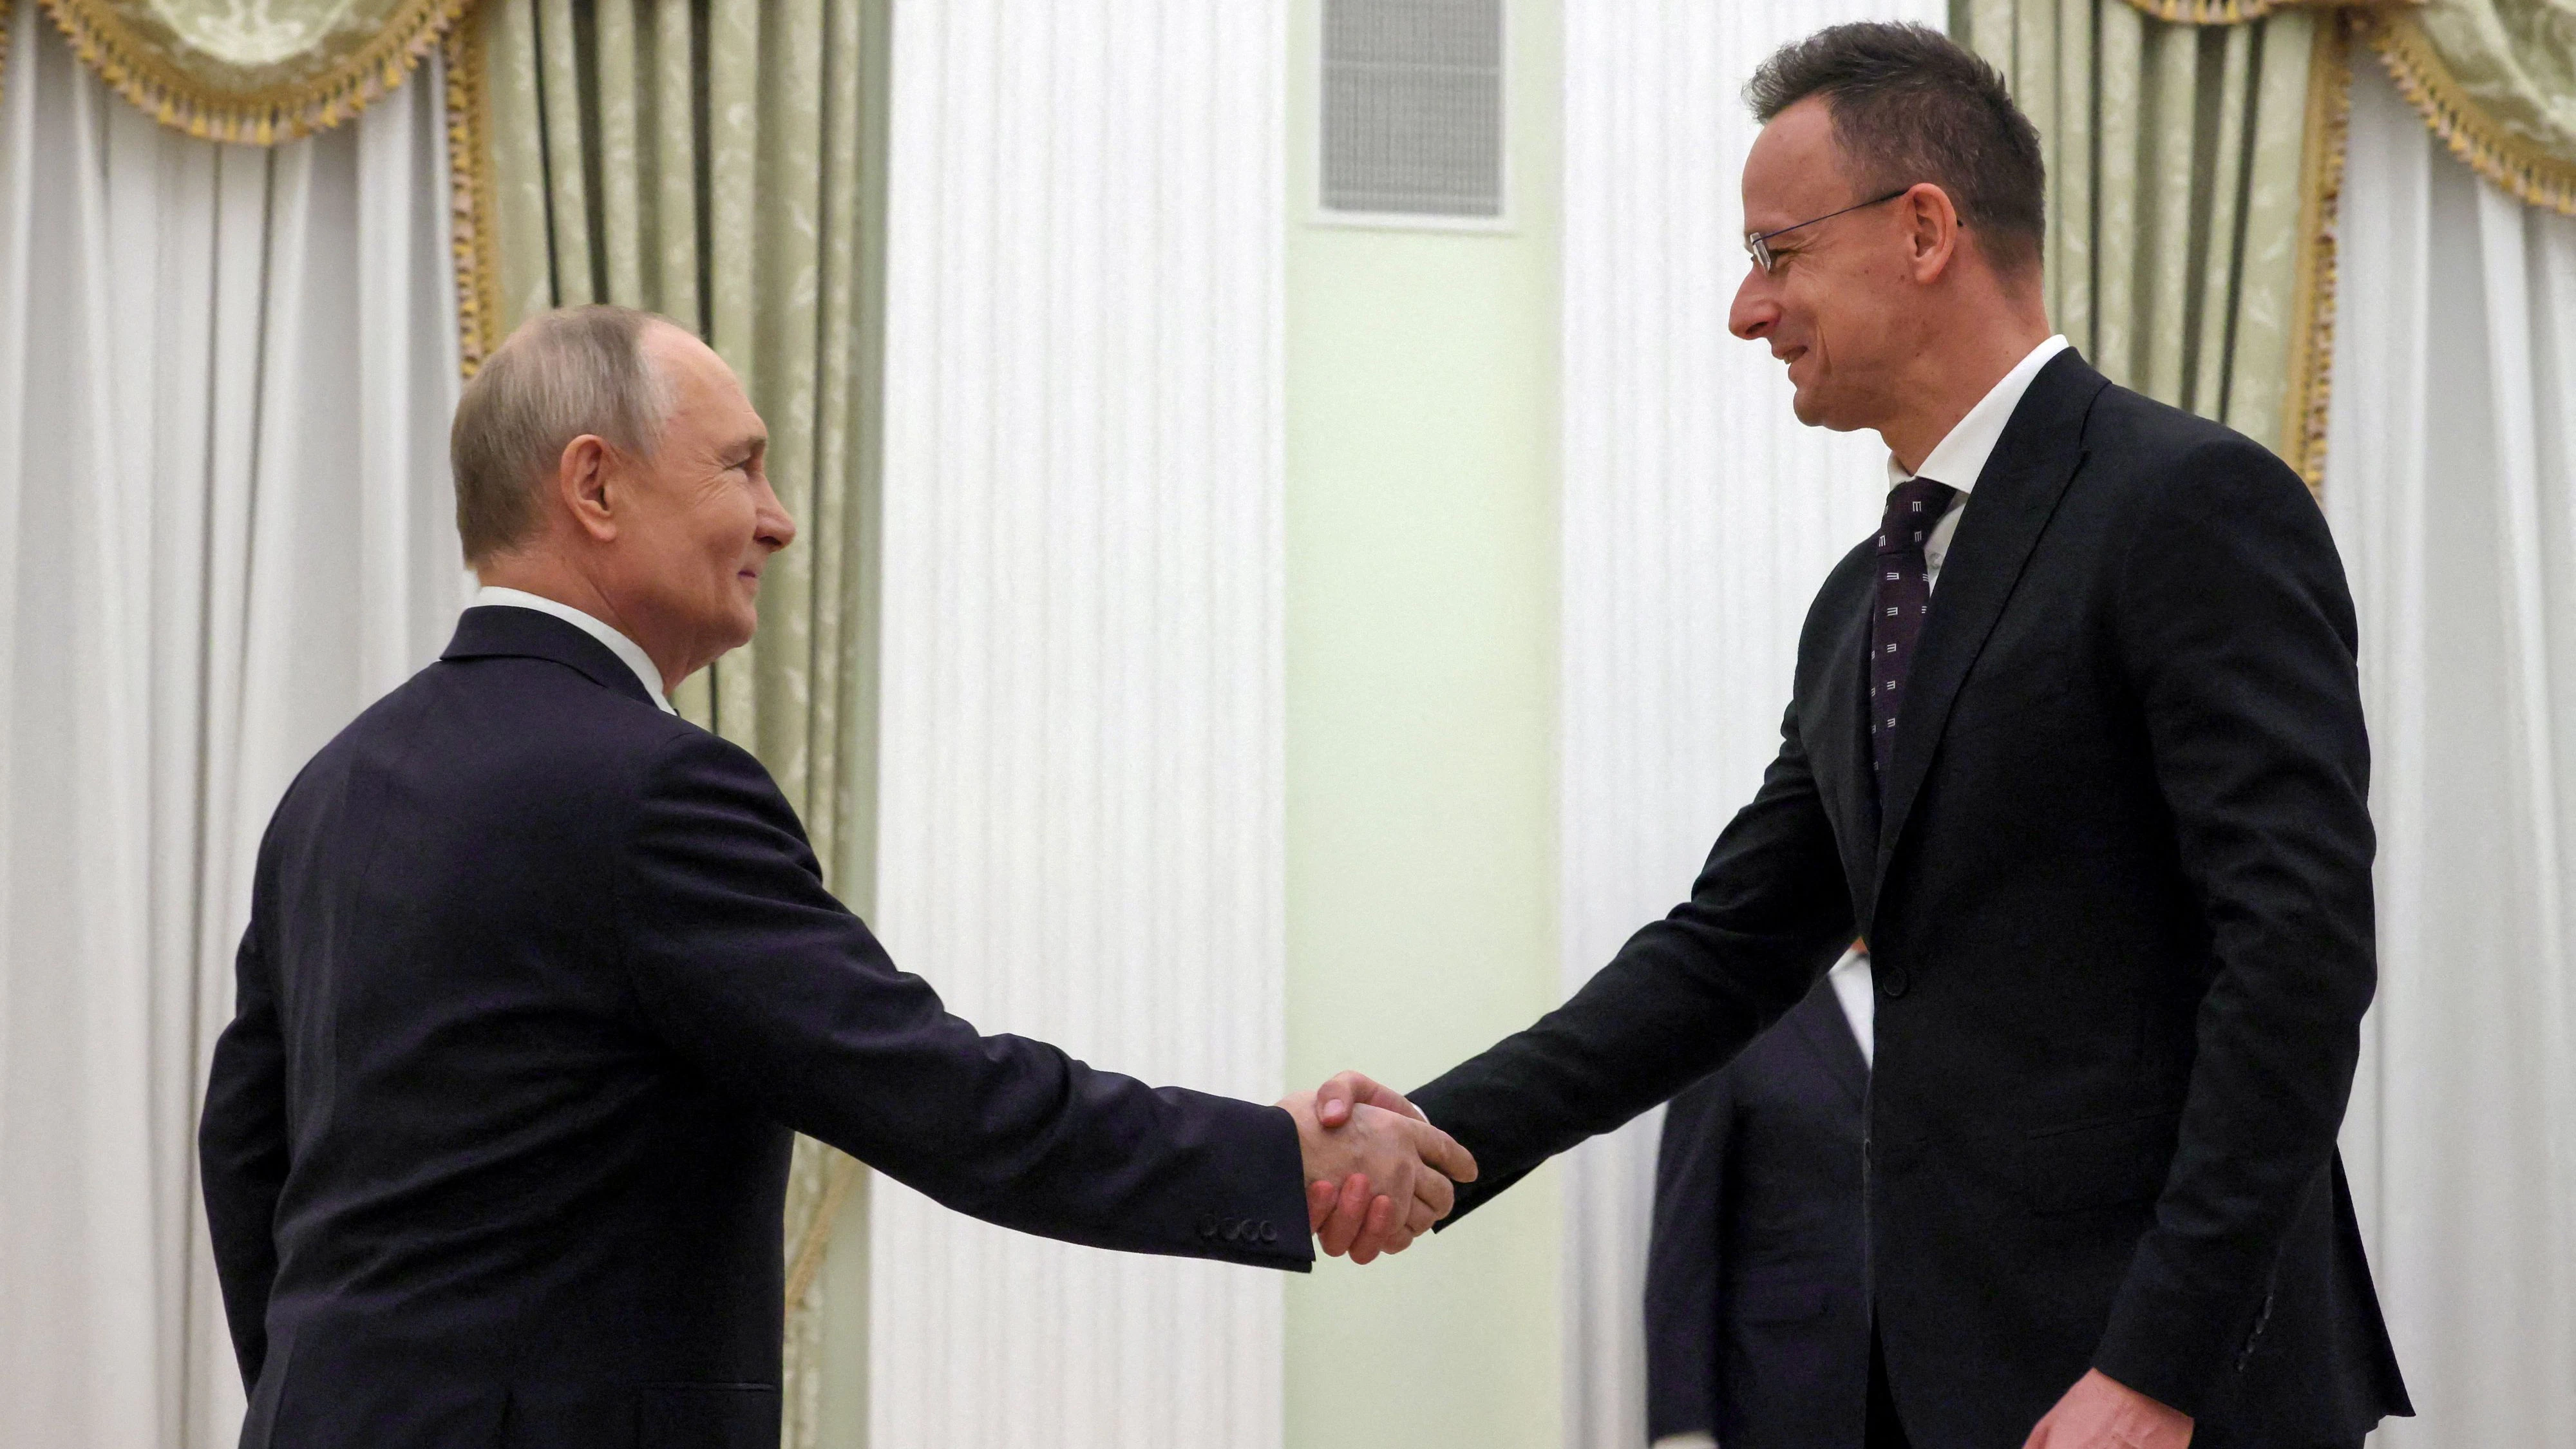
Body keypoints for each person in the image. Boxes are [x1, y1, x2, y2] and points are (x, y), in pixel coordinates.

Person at [1312, 23, 2411, 1449]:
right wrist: (1438, 1135)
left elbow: (2298, 957)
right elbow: (1726, 950)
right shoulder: (1862, 600)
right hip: (1929, 1388)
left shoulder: (2186, 504)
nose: (1742, 309)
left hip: (2159, 1390)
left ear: (1923, 230)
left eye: (1774, 254)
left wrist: (2158, 1365)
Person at [196, 305, 1471, 1449]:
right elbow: (939, 1095)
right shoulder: (654, 791)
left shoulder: (330, 788)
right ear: (594, 483)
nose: (778, 517)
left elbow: (247, 1153)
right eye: (740, 465)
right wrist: (1273, 1156)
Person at [1647, 949, 1873, 1449]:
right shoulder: (1736, 1006)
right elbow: (1685, 1242)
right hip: (1780, 1398)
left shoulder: (1959, 1001)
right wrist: (1683, 1428)